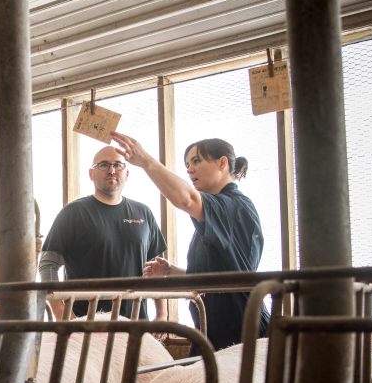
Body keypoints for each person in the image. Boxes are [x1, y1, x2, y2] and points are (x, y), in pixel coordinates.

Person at [110, 133, 268, 352]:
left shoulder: (234, 206)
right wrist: (171, 271)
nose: (189, 169)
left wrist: (146, 161)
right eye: (187, 164)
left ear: (222, 163)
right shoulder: (211, 217)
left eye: (197, 161)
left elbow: (187, 199)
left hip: (240, 330)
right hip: (211, 330)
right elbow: (214, 277)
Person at [39, 145, 168, 329]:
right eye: (104, 165)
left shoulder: (144, 213)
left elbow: (158, 268)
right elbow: (48, 266)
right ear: (91, 174)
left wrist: (162, 314)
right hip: (85, 326)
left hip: (136, 325)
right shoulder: (74, 213)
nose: (111, 170)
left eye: (118, 165)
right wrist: (63, 315)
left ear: (127, 173)